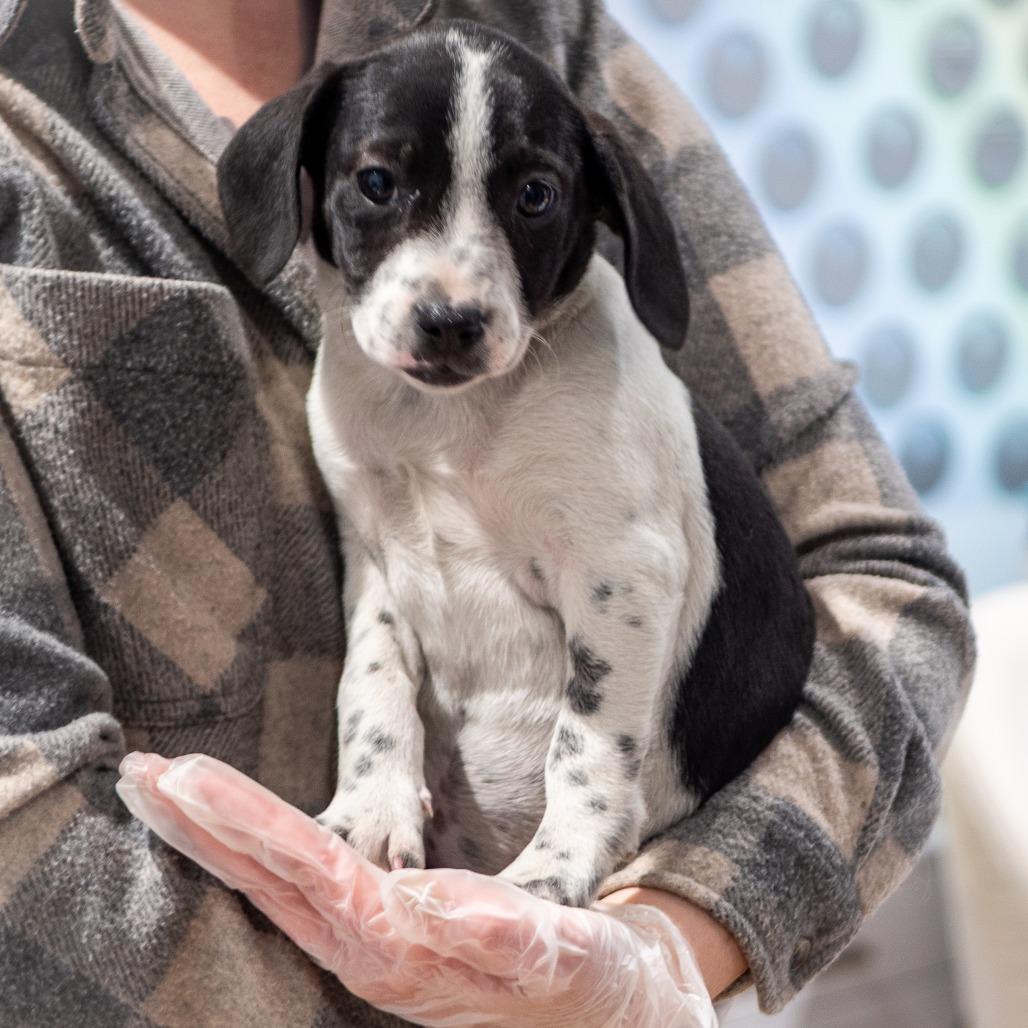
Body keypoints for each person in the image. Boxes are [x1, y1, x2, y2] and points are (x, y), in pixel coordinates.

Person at [0, 0, 974, 1024]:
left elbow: (881, 577)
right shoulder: (26, 117)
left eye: (531, 197)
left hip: (627, 897)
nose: (452, 291)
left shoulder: (548, 33)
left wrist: (669, 933)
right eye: (379, 187)